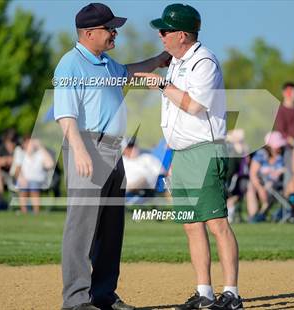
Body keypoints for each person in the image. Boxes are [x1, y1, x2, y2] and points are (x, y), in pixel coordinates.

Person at [53, 3, 170, 310]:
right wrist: (79, 150)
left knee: (111, 227)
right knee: (82, 228)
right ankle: (76, 300)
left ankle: (103, 294)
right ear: (89, 33)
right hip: (87, 146)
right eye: (109, 28)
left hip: (113, 150)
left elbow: (128, 73)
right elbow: (65, 114)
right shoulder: (70, 64)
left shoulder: (105, 63)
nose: (114, 32)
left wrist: (158, 61)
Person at [136, 4, 243, 309]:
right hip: (181, 154)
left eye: (166, 30)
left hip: (204, 150)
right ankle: (205, 293)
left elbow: (195, 106)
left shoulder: (204, 62)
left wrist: (161, 83)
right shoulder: (177, 61)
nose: (161, 35)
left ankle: (232, 293)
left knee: (216, 222)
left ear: (182, 34)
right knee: (191, 224)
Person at [247, 131, 286, 222]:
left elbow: (287, 171)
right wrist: (260, 188)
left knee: (270, 186)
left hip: (278, 185)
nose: (279, 147)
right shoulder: (261, 155)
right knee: (251, 186)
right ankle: (254, 216)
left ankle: (262, 213)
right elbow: (253, 174)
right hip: (263, 185)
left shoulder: (283, 155)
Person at [14, 136, 54, 214]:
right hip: (24, 179)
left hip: (38, 179)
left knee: (33, 184)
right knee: (23, 186)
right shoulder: (21, 153)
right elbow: (17, 169)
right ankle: (24, 211)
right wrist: (21, 178)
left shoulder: (40, 153)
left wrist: (41, 147)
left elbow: (50, 165)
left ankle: (36, 211)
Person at [0, 128, 18, 209]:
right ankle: (0, 196)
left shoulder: (18, 147)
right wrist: (6, 160)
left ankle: (1, 199)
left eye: (13, 140)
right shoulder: (0, 148)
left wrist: (7, 160)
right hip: (4, 175)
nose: (11, 143)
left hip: (16, 174)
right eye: (9, 140)